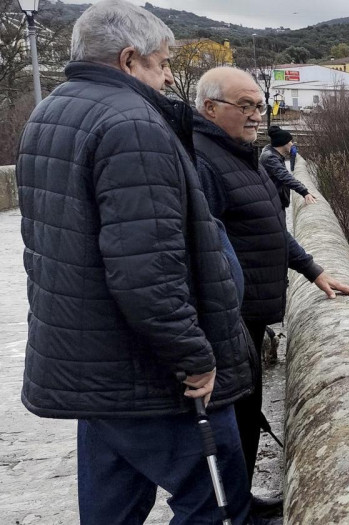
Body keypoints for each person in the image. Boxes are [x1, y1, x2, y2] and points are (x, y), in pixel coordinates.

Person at [16, 2, 266, 523]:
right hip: (153, 375)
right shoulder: (132, 124)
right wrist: (194, 356)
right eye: (163, 61)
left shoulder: (51, 111)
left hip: (94, 365)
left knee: (111, 512)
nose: (171, 74)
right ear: (130, 60)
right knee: (217, 505)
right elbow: (145, 270)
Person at [190, 66, 349, 517]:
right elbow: (197, 250)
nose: (255, 116)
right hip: (228, 317)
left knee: (246, 414)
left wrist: (313, 270)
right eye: (244, 106)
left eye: (258, 107)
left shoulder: (243, 156)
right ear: (210, 108)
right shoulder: (202, 162)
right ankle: (231, 509)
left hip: (249, 314)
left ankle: (241, 501)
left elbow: (268, 227)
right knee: (230, 422)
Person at [260, 125, 316, 210]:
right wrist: (304, 192)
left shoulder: (274, 155)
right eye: (290, 141)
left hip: (274, 200)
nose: (292, 144)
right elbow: (285, 176)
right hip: (271, 203)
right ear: (284, 143)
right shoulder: (270, 158)